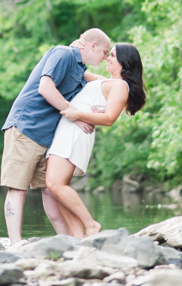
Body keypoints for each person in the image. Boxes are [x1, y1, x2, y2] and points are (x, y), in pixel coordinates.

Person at [0, 28, 111, 245]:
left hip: (48, 135)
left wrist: (96, 109)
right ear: (92, 46)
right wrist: (76, 116)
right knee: (18, 188)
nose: (105, 57)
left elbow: (103, 83)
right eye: (105, 52)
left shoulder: (80, 69)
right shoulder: (63, 54)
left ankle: (66, 241)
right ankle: (16, 244)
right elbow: (45, 88)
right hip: (26, 126)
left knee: (51, 189)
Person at [44, 42, 147, 238]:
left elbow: (109, 118)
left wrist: (77, 114)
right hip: (68, 129)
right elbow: (77, 71)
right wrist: (77, 46)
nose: (108, 57)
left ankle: (91, 225)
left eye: (113, 55)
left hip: (75, 132)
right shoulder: (105, 81)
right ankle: (78, 236)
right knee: (54, 188)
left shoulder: (121, 86)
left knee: (55, 184)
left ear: (125, 62)